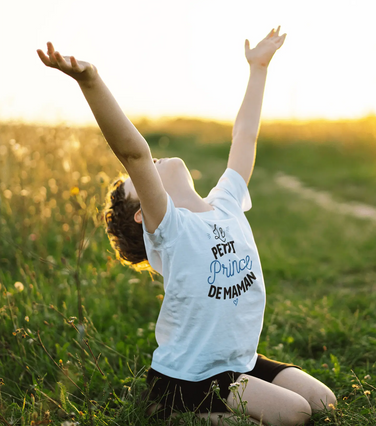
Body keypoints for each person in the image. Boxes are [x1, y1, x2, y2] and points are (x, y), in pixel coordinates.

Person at [37, 28, 336, 425]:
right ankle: (169, 410)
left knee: (323, 401)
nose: (156, 162)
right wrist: (90, 80)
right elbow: (133, 152)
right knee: (295, 414)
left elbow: (245, 135)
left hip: (238, 362)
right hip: (188, 376)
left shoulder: (226, 203)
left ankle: (219, 404)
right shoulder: (171, 229)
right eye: (142, 179)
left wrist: (258, 68)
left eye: (152, 165)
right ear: (145, 214)